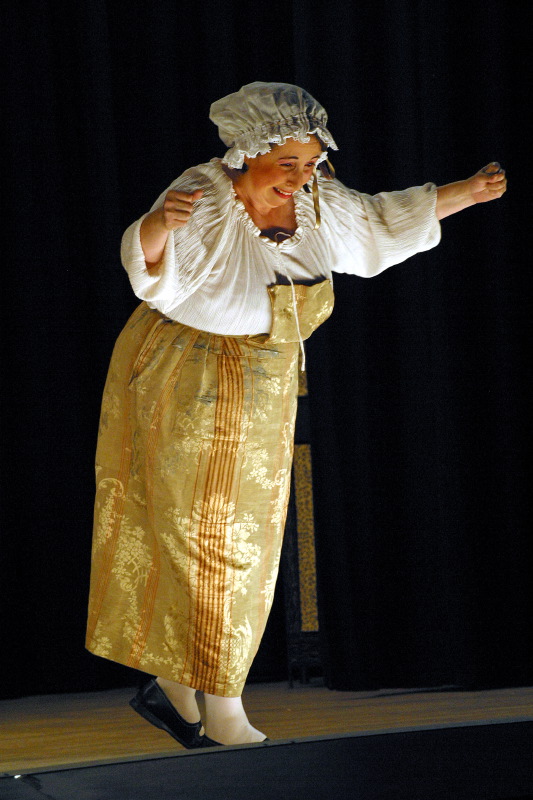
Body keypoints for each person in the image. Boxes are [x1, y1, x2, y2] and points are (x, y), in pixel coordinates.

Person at [85, 81, 506, 749]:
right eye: (288, 163)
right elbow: (150, 262)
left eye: (311, 162)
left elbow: (377, 224)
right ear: (246, 153)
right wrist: (160, 225)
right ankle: (214, 703)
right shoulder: (203, 194)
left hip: (264, 379)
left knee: (246, 543)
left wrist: (467, 193)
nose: (301, 176)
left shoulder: (314, 201)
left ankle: (183, 686)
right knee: (202, 537)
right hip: (187, 370)